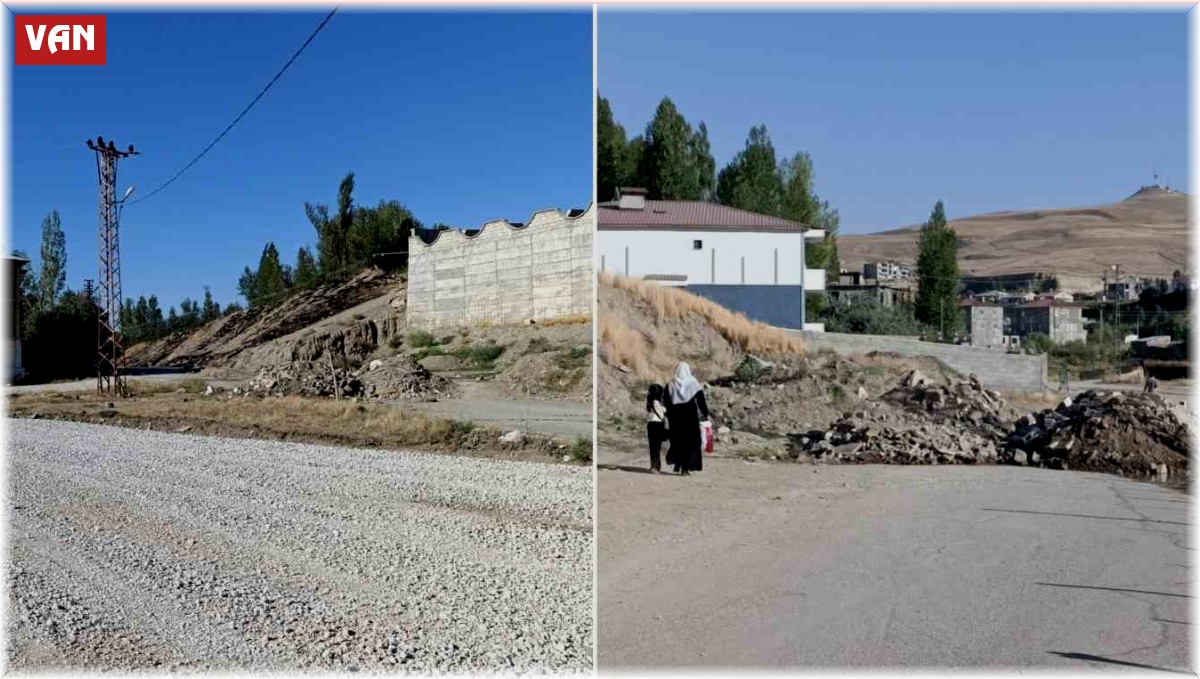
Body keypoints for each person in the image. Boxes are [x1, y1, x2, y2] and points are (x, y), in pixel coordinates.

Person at [664, 362, 709, 476]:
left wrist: (669, 416)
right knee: (692, 443)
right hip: (690, 419)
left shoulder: (670, 385)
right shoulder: (694, 385)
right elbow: (701, 402)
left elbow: (666, 403)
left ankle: (678, 463)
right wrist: (705, 415)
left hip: (676, 420)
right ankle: (686, 467)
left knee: (678, 442)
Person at [645, 384, 668, 474]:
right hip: (657, 424)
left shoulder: (649, 402)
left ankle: (653, 466)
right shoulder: (656, 402)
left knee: (652, 447)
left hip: (651, 425)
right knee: (657, 447)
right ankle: (656, 467)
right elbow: (662, 413)